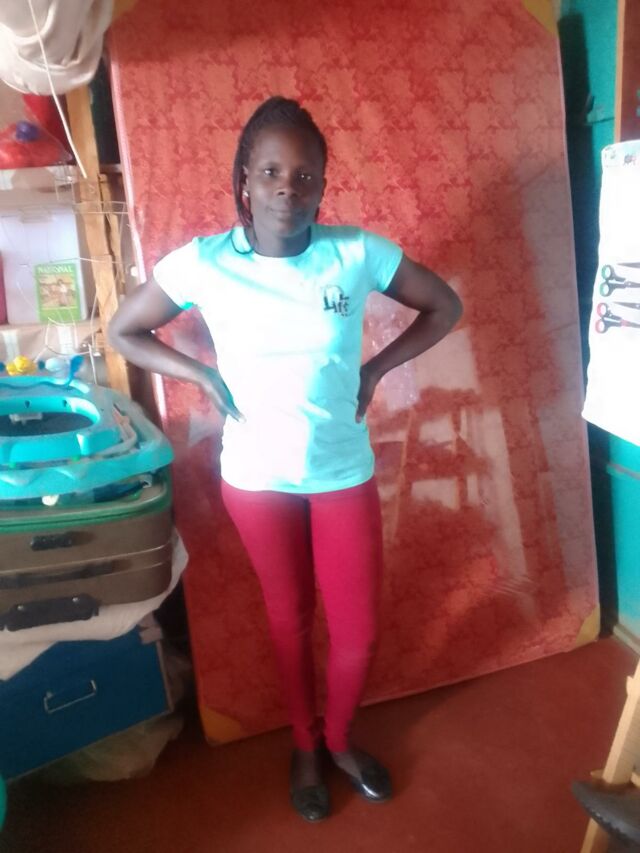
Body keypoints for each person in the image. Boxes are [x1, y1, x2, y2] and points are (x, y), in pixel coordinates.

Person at [108, 96, 462, 822]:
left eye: (305, 176)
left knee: (357, 630)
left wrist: (376, 369)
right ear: (244, 177)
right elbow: (125, 331)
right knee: (290, 618)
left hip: (340, 471)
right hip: (256, 478)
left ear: (324, 185)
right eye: (270, 171)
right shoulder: (205, 263)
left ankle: (339, 739)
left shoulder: (356, 253)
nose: (287, 190)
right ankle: (304, 746)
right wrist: (199, 374)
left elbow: (445, 306)